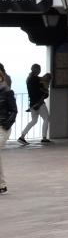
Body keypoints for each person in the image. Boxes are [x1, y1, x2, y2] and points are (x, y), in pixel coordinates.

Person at [18, 63, 50, 145]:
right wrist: (45, 91)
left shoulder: (29, 78)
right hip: (39, 103)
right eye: (38, 69)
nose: (39, 71)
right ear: (35, 69)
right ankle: (44, 138)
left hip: (32, 103)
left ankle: (22, 136)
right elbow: (43, 91)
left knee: (34, 121)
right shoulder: (36, 79)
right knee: (46, 118)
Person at [0, 64, 16, 193]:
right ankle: (1, 184)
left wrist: (7, 124)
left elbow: (14, 110)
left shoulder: (7, 91)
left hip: (2, 128)